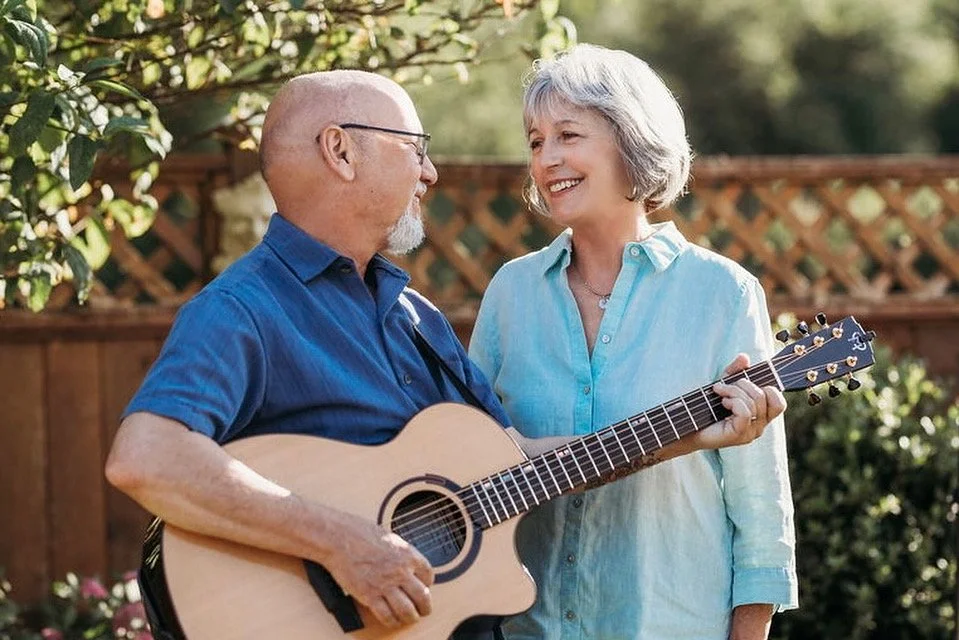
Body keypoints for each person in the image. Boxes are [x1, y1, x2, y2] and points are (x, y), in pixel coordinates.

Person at [104, 69, 785, 640]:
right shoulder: (245, 308)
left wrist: (692, 433)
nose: (429, 172)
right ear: (341, 152)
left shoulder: (414, 317)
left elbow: (512, 463)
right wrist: (339, 542)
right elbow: (147, 457)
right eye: (414, 148)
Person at [467, 44, 798, 640]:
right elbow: (469, 463)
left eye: (568, 134)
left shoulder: (721, 292)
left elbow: (760, 508)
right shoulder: (511, 294)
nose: (547, 158)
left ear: (631, 139)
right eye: (536, 141)